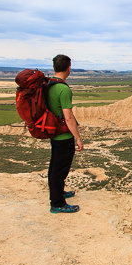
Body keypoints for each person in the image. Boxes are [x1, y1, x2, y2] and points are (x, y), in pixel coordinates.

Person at [47, 54, 84, 213]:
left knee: (55, 165)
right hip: (63, 135)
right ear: (69, 68)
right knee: (60, 168)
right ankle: (57, 203)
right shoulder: (63, 89)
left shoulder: (49, 84)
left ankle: (58, 193)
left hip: (53, 133)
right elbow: (68, 117)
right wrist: (78, 137)